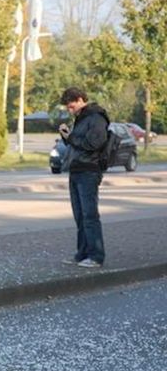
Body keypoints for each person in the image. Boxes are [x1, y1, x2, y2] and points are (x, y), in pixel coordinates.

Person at [58, 86, 108, 268]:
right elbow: (77, 144)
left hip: (88, 170)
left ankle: (96, 256)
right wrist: (66, 137)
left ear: (80, 99)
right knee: (80, 216)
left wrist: (71, 138)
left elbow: (94, 143)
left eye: (71, 106)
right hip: (77, 169)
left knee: (89, 215)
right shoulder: (81, 119)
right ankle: (82, 254)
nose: (70, 110)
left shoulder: (95, 117)